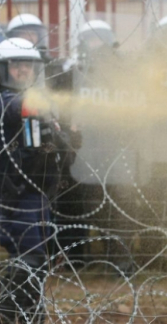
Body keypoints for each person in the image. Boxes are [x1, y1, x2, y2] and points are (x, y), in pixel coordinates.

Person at [0, 38, 72, 323]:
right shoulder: (12, 101)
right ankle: (11, 310)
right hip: (9, 193)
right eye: (16, 65)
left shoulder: (38, 101)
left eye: (28, 65)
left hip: (34, 192)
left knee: (33, 260)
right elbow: (11, 108)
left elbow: (60, 148)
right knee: (30, 260)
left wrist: (63, 137)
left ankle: (25, 311)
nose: (23, 70)